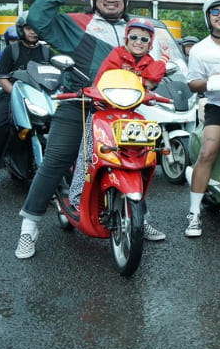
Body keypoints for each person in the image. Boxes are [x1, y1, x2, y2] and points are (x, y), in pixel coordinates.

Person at [14, 0, 165, 260]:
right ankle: (29, 226)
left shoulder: (138, 30)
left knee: (139, 160)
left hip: (123, 108)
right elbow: (37, 20)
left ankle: (137, 217)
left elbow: (156, 64)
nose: (111, 0)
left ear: (125, 1)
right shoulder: (78, 25)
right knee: (56, 160)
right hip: (79, 102)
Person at [68, 17, 170, 208]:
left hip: (129, 114)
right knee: (89, 152)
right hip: (103, 111)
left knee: (141, 155)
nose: (138, 42)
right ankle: (77, 197)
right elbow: (103, 79)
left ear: (150, 44)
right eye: (134, 37)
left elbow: (152, 80)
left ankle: (140, 213)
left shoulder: (149, 61)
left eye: (144, 39)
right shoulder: (116, 55)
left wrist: (164, 58)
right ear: (126, 39)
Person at [184, 0, 220, 238]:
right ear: (208, 18)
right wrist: (210, 82)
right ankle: (194, 213)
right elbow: (192, 84)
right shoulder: (199, 50)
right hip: (219, 105)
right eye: (215, 12)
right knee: (207, 153)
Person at [0, 14, 50, 196]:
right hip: (11, 94)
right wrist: (17, 94)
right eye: (28, 28)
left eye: (36, 28)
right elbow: (1, 77)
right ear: (21, 30)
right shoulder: (12, 50)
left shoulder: (47, 52)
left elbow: (55, 76)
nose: (33, 32)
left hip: (40, 97)